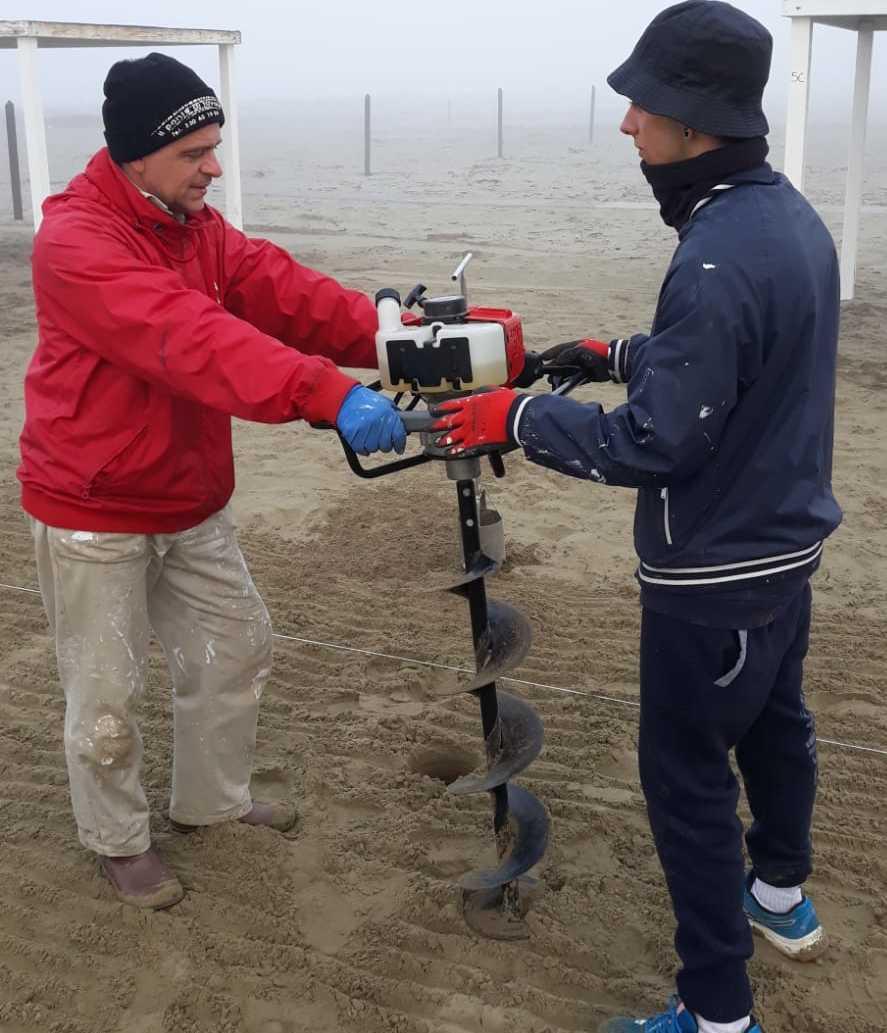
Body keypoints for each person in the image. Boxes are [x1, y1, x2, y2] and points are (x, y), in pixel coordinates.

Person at [431, 4, 842, 1031]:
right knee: (776, 726)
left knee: (688, 780)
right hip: (783, 550)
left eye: (640, 106)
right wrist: (611, 353)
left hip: (709, 576)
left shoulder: (710, 257)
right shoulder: (783, 216)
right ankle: (779, 899)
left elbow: (655, 443)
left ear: (692, 123)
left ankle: (714, 1011)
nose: (626, 127)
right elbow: (746, 362)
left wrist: (515, 412)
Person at [18, 52, 406, 911]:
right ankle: (118, 840)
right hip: (93, 505)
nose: (214, 167)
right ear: (136, 156)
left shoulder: (196, 227)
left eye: (215, 145)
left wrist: (388, 332)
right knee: (107, 687)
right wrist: (323, 393)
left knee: (234, 646)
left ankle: (210, 803)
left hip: (188, 496)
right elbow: (188, 335)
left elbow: (279, 290)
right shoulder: (78, 241)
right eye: (195, 152)